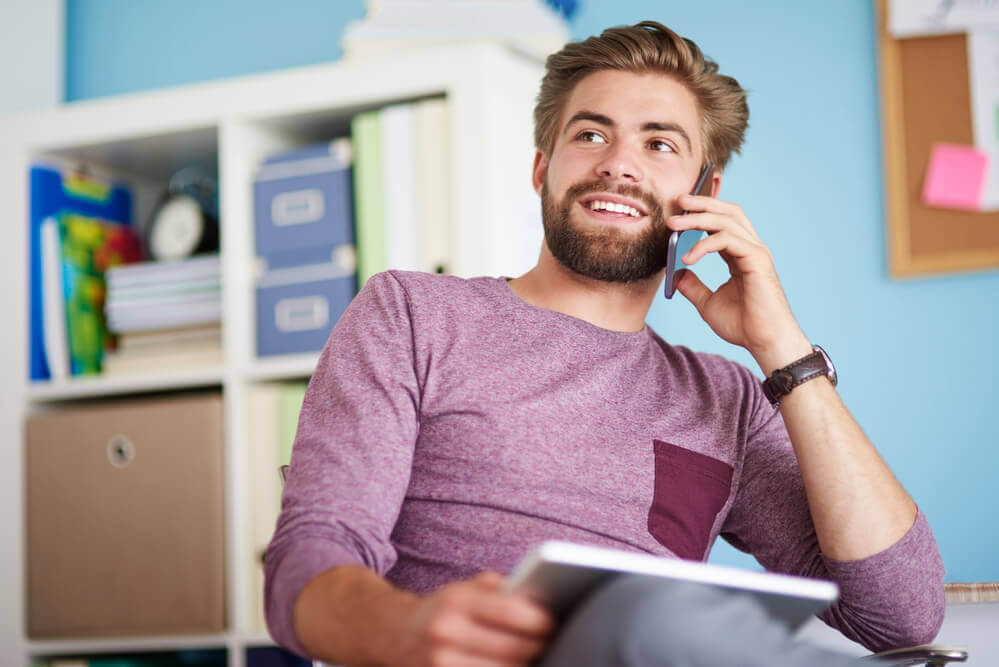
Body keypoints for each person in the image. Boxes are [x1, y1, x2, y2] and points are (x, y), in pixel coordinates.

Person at [265, 21, 945, 666]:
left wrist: (783, 351)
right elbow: (309, 558)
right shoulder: (413, 313)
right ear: (542, 168)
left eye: (659, 144)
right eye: (591, 134)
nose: (619, 165)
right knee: (660, 614)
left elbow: (901, 616)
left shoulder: (727, 399)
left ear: (703, 194)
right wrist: (405, 629)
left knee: (664, 617)